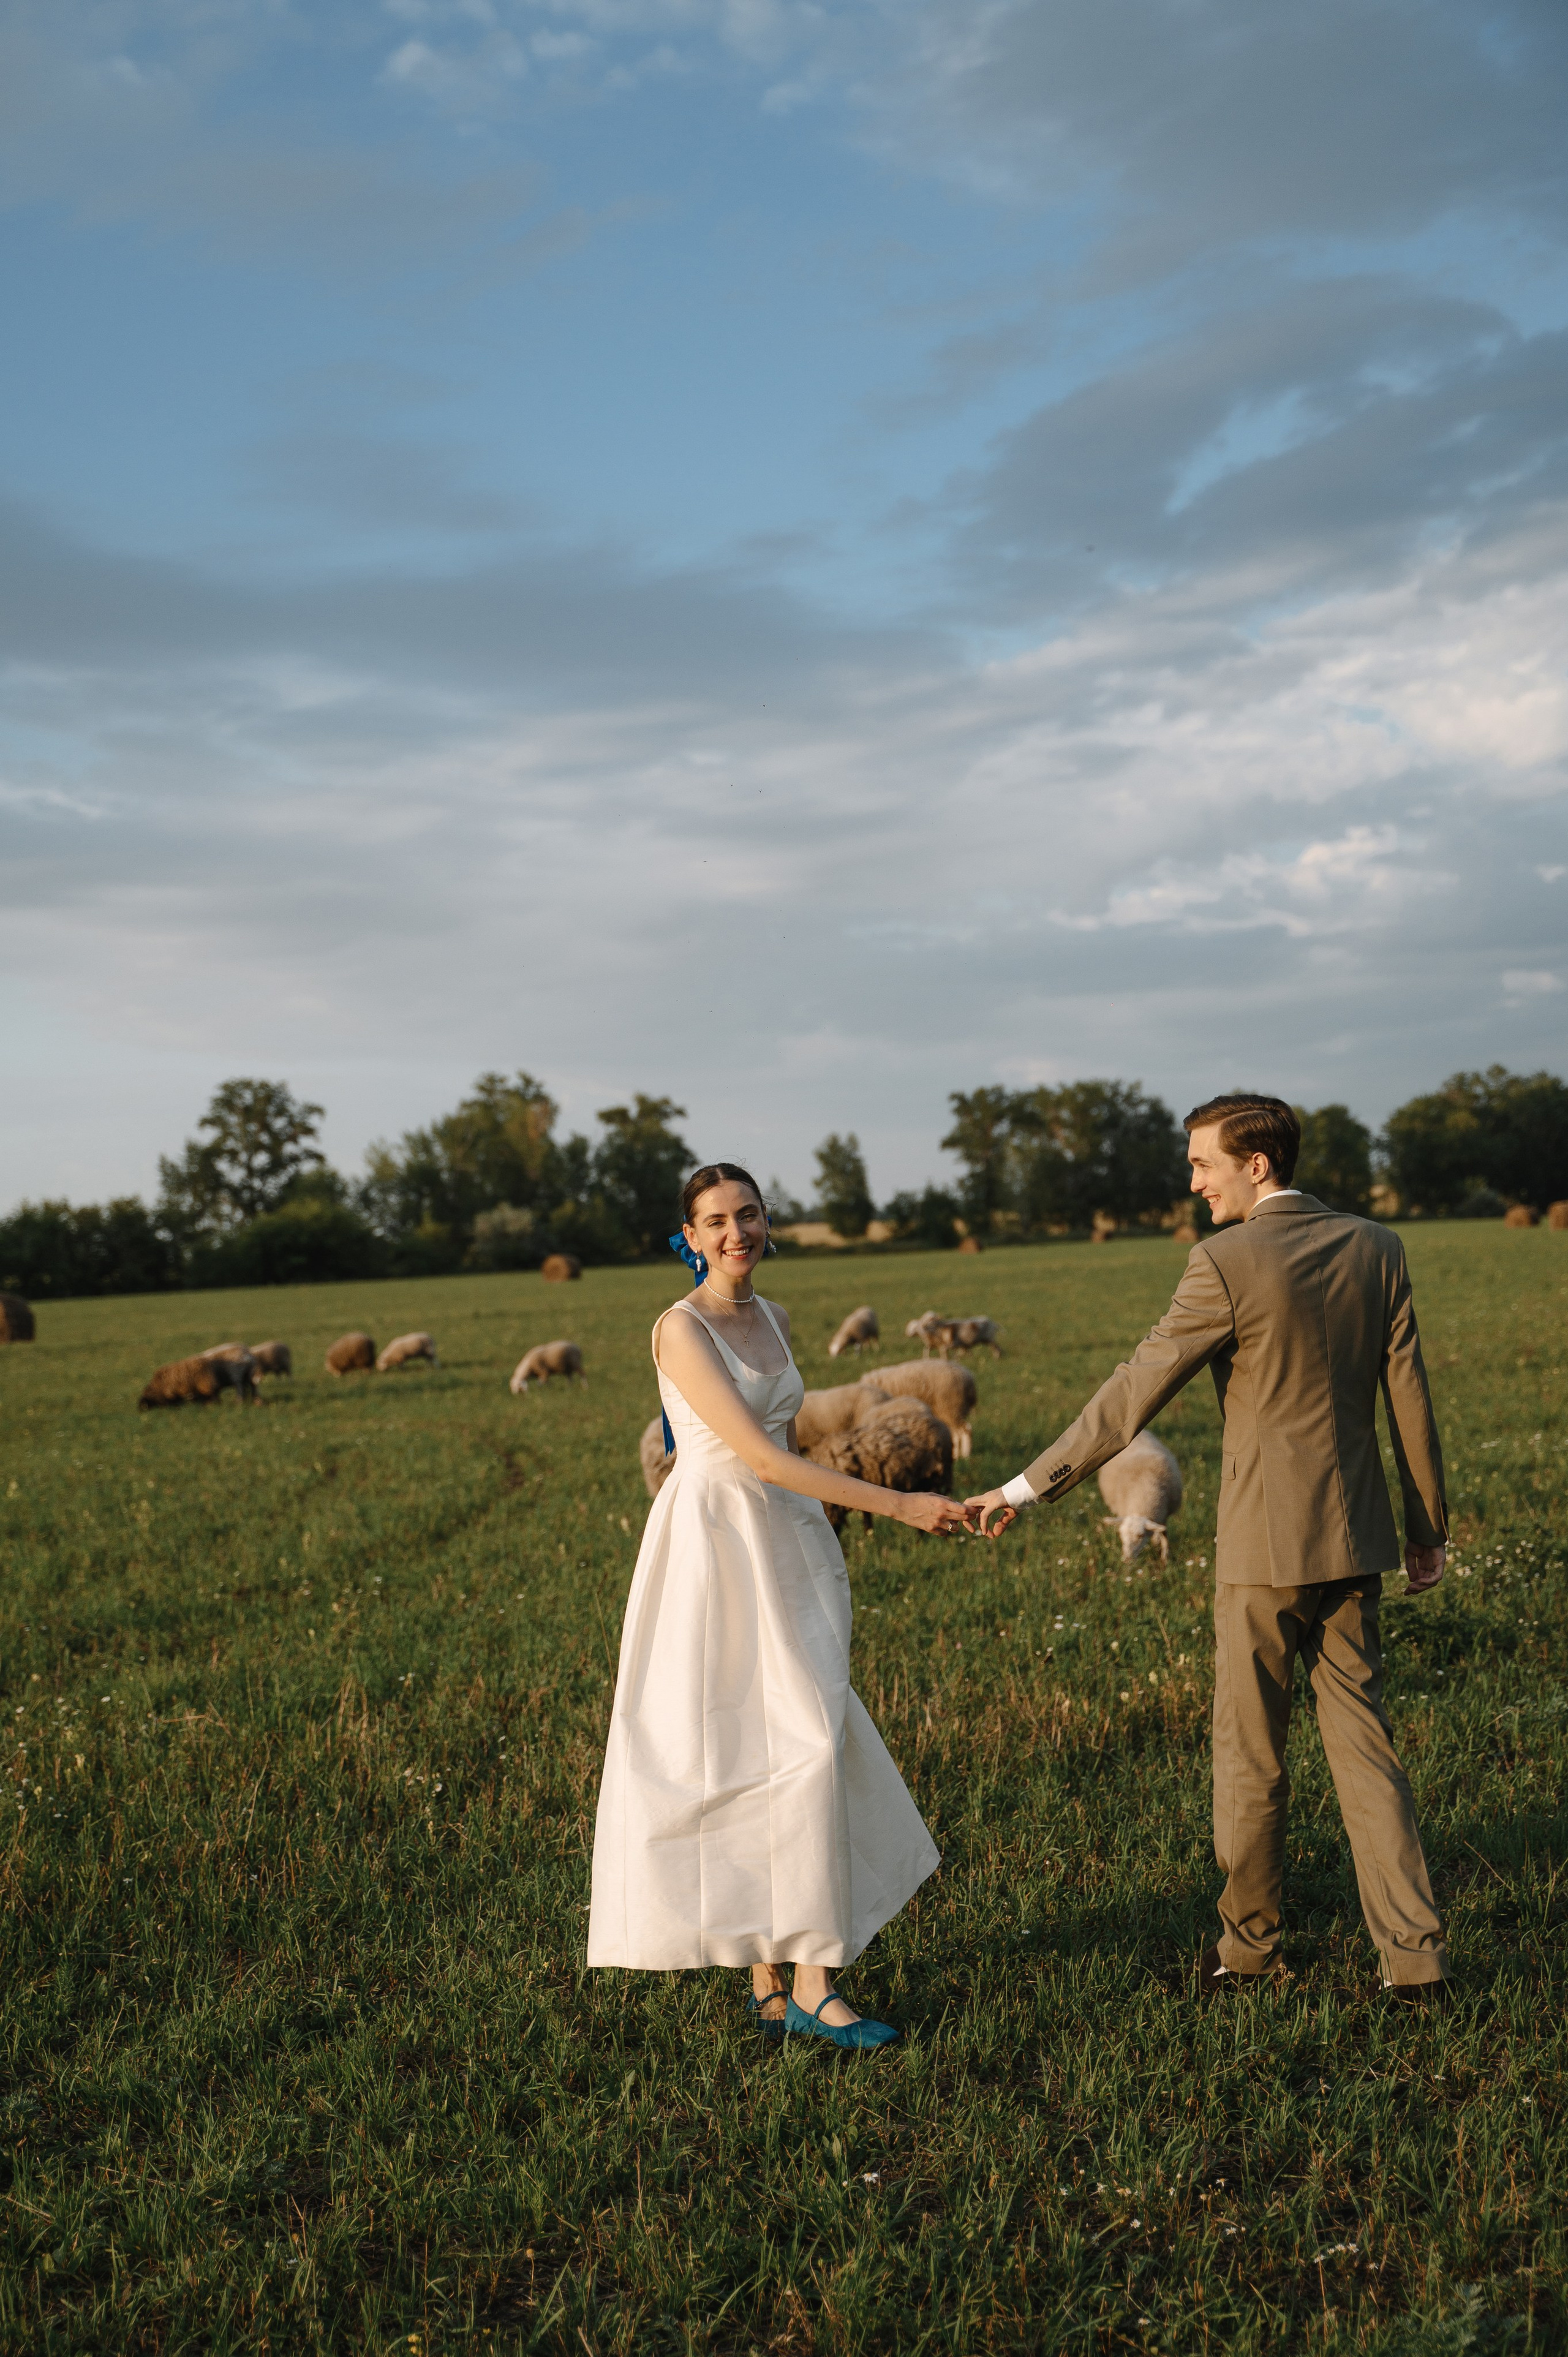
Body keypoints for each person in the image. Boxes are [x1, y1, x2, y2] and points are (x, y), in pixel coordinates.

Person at [967, 1093, 1452, 2004]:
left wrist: (1026, 1486)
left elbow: (1131, 1395)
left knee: (1251, 1756)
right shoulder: (1377, 1248)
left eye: (1203, 1165)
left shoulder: (1223, 1263)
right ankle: (1415, 1960)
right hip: (1356, 1542)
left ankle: (1250, 1952)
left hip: (1263, 1551)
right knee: (1366, 1749)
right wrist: (1428, 1528)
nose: (1192, 1182)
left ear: (1256, 1165)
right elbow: (1409, 1397)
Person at [587, 1162, 970, 2049]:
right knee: (771, 1744)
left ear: (768, 1222)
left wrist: (825, 1534)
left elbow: (792, 1441)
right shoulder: (678, 1330)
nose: (736, 1233)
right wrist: (901, 1503)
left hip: (789, 1541)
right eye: (715, 1221)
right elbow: (757, 1457)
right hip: (714, 1546)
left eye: (749, 1215)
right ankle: (813, 1986)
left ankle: (775, 1981)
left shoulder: (776, 1318)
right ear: (688, 1236)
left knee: (801, 1735)